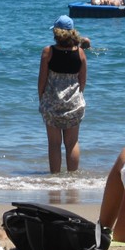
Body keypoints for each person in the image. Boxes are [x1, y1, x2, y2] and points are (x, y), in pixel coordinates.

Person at [38, 15, 87, 173]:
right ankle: (72, 179)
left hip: (52, 102)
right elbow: (82, 81)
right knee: (72, 143)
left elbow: (42, 80)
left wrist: (42, 99)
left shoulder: (48, 52)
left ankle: (55, 179)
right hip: (74, 102)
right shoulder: (80, 53)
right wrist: (75, 97)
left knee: (54, 143)